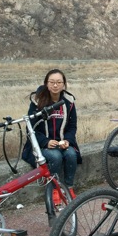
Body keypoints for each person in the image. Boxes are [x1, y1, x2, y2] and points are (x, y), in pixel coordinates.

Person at [22, 69, 81, 202]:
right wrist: (46, 142)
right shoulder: (37, 103)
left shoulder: (69, 103)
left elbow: (72, 126)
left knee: (71, 154)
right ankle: (55, 189)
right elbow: (31, 128)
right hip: (42, 145)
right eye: (52, 82)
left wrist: (67, 140)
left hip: (62, 143)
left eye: (59, 82)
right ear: (46, 84)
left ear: (64, 84)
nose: (55, 85)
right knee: (55, 156)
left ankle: (69, 187)